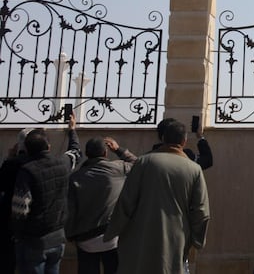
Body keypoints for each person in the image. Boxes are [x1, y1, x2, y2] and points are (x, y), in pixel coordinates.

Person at [105, 119, 210, 274]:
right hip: (175, 240)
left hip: (139, 237)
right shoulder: (194, 169)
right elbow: (201, 212)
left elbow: (125, 203)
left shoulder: (143, 162)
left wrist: (113, 232)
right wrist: (196, 241)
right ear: (184, 141)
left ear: (162, 139)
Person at [11, 116, 82, 274]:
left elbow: (19, 210)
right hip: (57, 237)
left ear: (27, 150)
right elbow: (76, 152)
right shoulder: (63, 164)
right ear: (48, 146)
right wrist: (72, 130)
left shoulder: (27, 171)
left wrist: (18, 234)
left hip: (34, 241)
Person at [66, 137, 137, 274]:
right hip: (112, 238)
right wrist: (118, 149)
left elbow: (71, 210)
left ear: (87, 154)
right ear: (105, 153)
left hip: (85, 240)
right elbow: (138, 164)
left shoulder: (75, 178)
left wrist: (70, 235)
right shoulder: (119, 168)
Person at [0, 127, 34, 274]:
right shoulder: (38, 164)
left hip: (8, 221)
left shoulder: (10, 164)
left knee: (7, 261)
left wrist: (8, 158)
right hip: (33, 224)